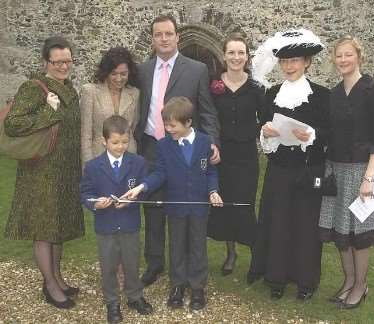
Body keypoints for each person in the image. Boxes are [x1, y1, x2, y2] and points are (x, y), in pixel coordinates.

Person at [134, 14, 220, 287]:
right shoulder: (143, 70)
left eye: (168, 34)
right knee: (154, 209)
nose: (163, 39)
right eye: (158, 34)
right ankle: (154, 262)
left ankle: (184, 269)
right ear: (153, 38)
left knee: (186, 209)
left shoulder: (196, 69)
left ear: (177, 37)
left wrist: (213, 140)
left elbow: (207, 110)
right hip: (151, 147)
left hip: (184, 151)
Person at [3, 36, 84, 309]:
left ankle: (58, 279)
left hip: (65, 174)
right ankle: (49, 286)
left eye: (67, 61)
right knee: (44, 230)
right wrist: (49, 112)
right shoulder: (33, 88)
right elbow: (13, 124)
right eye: (57, 62)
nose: (63, 66)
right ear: (45, 62)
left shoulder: (69, 88)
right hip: (41, 174)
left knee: (58, 228)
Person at [250, 29, 330, 300]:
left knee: (306, 226)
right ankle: (276, 279)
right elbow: (263, 125)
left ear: (307, 62)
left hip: (309, 169)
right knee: (278, 223)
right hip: (280, 170)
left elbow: (329, 133)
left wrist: (312, 135)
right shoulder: (271, 94)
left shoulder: (321, 95)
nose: (289, 66)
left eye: (295, 60)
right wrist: (266, 132)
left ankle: (306, 282)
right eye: (284, 61)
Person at [124, 97, 223, 311]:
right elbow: (160, 173)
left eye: (172, 125)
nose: (168, 129)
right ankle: (177, 286)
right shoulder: (164, 145)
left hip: (198, 207)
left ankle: (197, 287)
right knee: (177, 245)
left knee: (198, 246)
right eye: (166, 125)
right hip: (176, 207)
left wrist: (213, 191)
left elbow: (211, 171)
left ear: (188, 122)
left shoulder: (205, 142)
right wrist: (142, 187)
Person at [319, 35, 374, 309]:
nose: (343, 60)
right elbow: (328, 132)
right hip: (336, 170)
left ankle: (361, 285)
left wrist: (369, 178)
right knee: (341, 232)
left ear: (359, 56)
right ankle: (348, 281)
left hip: (363, 172)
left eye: (348, 55)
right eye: (339, 56)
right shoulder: (334, 94)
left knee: (359, 235)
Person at [80, 115, 153, 323]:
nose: (121, 146)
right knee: (108, 265)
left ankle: (135, 296)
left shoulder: (138, 163)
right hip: (106, 226)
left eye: (124, 142)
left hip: (130, 224)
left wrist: (133, 198)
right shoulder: (93, 166)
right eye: (115, 142)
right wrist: (96, 203)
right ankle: (112, 301)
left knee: (132, 262)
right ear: (104, 141)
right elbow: (85, 193)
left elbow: (144, 190)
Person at [206, 33, 264, 280]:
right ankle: (230, 254)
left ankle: (256, 258)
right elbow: (207, 117)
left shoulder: (256, 88)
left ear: (247, 57)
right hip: (222, 156)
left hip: (246, 157)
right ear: (224, 55)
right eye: (231, 52)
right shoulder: (213, 86)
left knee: (245, 205)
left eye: (241, 52)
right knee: (225, 206)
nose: (236, 57)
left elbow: (266, 120)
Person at [80, 46, 139, 164]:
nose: (119, 78)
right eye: (114, 74)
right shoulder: (90, 91)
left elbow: (133, 128)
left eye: (123, 74)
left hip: (128, 159)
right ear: (106, 72)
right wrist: (88, 168)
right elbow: (85, 136)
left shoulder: (135, 93)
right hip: (98, 158)